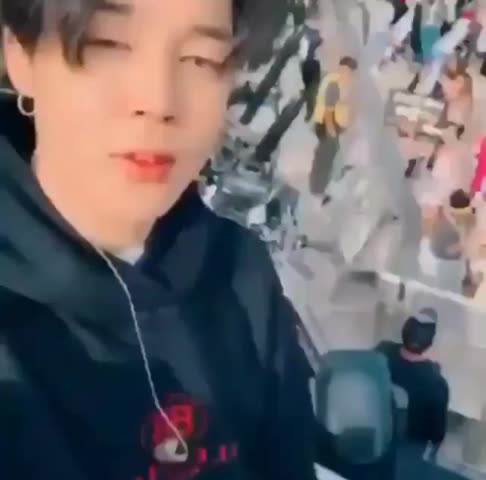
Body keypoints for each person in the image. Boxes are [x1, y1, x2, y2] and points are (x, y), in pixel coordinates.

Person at [0, 1, 318, 480]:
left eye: (201, 60)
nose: (159, 101)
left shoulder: (239, 271)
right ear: (20, 56)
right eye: (107, 43)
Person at [377, 309, 449, 453]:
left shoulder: (381, 351)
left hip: (373, 441)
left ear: (404, 331)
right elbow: (437, 437)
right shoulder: (437, 384)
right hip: (406, 457)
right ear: (430, 343)